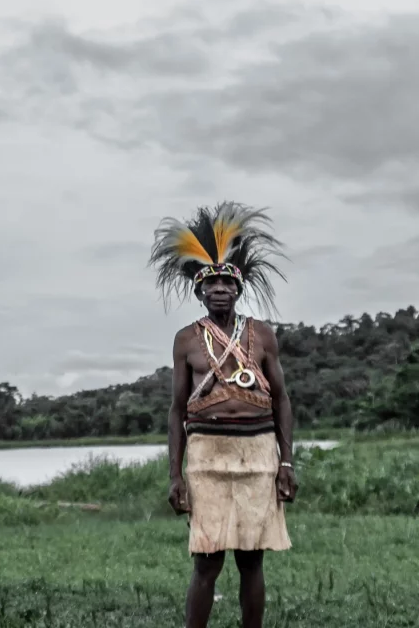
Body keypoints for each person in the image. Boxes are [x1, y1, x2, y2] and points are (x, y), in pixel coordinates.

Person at [148, 201, 296, 628]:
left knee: (251, 561)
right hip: (207, 456)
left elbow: (282, 399)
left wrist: (285, 462)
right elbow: (177, 411)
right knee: (207, 561)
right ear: (199, 292)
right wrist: (175, 475)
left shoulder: (262, 335)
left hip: (258, 454)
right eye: (210, 285)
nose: (219, 291)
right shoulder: (186, 340)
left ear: (239, 290)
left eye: (226, 284)